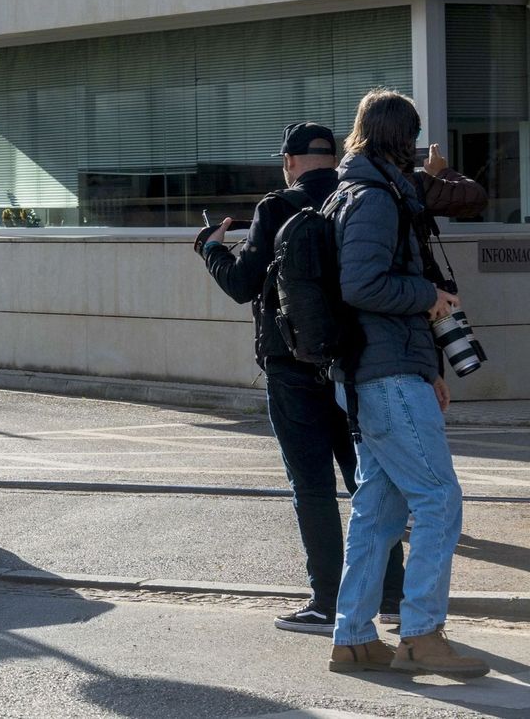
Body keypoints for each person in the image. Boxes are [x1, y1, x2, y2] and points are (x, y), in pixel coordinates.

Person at [198, 122, 403, 634]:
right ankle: (393, 597)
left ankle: (327, 602)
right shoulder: (358, 198)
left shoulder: (277, 207)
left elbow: (243, 285)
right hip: (355, 364)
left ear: (288, 160)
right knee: (368, 481)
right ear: (332, 159)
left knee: (311, 485)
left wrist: (211, 249)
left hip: (291, 367)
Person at [325, 88, 489, 679]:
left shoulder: (360, 189)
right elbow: (362, 285)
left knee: (379, 506)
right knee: (438, 498)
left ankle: (353, 638)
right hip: (385, 371)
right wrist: (430, 296)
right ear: (404, 137)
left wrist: (428, 370)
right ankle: (421, 635)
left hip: (381, 371)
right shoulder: (374, 198)